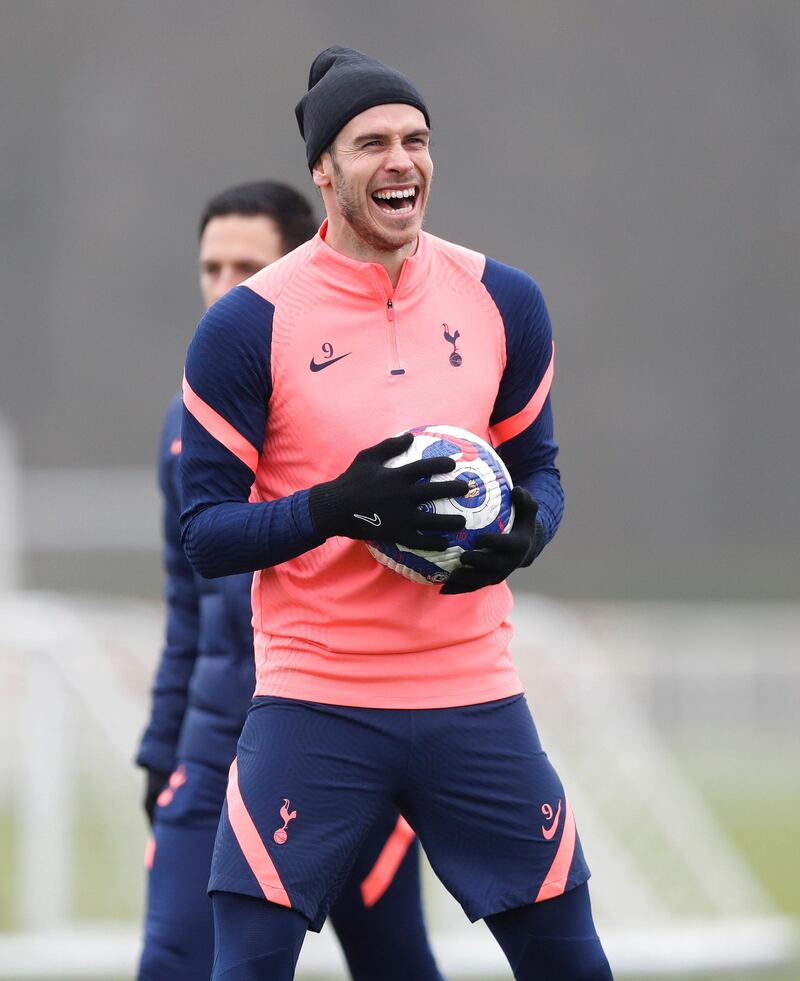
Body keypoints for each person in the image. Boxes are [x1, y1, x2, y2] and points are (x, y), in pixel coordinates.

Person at [181, 47, 613, 981]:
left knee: (572, 964)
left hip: (475, 696)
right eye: (371, 141)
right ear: (323, 172)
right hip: (314, 701)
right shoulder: (247, 324)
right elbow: (204, 535)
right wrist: (337, 507)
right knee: (245, 967)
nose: (401, 160)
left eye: (416, 139)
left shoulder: (504, 299)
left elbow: (540, 468)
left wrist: (527, 531)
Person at [135, 180, 443, 981]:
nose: (223, 288)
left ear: (301, 270)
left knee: (396, 965)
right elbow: (187, 605)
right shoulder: (185, 422)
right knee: (171, 962)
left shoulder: (369, 412)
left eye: (247, 266)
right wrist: (159, 748)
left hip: (341, 742)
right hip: (210, 756)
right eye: (211, 267)